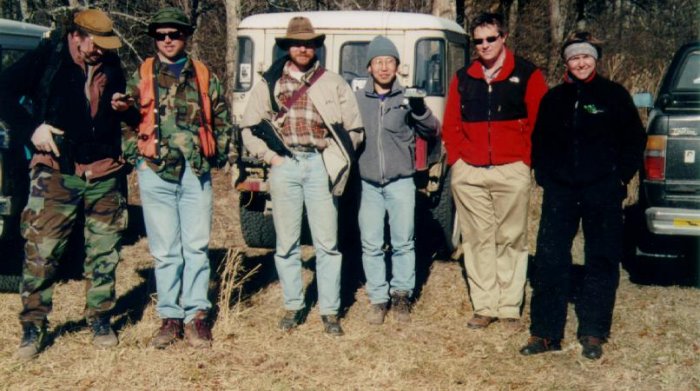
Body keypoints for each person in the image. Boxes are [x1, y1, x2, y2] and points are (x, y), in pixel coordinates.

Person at [0, 9, 126, 359]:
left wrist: (122, 109)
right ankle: (32, 326)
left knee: (104, 251)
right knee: (42, 251)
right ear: (76, 36)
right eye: (95, 44)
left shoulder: (112, 64)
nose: (100, 50)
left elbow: (120, 113)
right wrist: (32, 128)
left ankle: (100, 318)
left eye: (105, 45)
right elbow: (3, 90)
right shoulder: (47, 60)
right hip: (56, 171)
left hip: (104, 171)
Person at [520, 32, 646, 360]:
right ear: (566, 62)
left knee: (601, 258)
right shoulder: (555, 98)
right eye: (574, 57)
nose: (580, 62)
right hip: (561, 190)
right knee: (550, 258)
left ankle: (593, 331)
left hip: (601, 189)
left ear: (595, 59)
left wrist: (620, 176)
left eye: (586, 56)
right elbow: (540, 141)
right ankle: (545, 333)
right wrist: (545, 175)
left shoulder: (614, 96)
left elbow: (635, 139)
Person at [112, 8, 231, 349]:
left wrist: (217, 155)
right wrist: (135, 157)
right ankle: (170, 318)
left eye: (174, 34)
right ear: (155, 39)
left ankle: (196, 317)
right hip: (156, 173)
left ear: (185, 36)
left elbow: (222, 117)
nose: (167, 40)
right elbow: (126, 119)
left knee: (195, 247)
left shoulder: (205, 75)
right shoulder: (143, 74)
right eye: (161, 35)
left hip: (195, 174)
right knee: (165, 251)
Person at [240, 16, 363, 336]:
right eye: (296, 42)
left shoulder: (333, 82)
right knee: (286, 243)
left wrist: (333, 160)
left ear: (315, 46)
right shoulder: (270, 83)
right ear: (287, 46)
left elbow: (355, 129)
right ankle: (294, 306)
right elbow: (248, 128)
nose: (303, 48)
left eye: (308, 43)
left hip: (320, 165)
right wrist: (271, 158)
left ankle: (330, 311)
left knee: (327, 244)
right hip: (286, 167)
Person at [442, 12, 548, 330]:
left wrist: (524, 162)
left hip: (511, 170)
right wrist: (458, 162)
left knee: (511, 238)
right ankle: (485, 305)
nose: (484, 45)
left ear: (503, 38)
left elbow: (539, 124)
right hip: (470, 172)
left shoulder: (528, 74)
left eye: (491, 38)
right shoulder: (463, 77)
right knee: (476, 239)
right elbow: (451, 125)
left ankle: (509, 307)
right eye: (478, 41)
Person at [355, 36, 439, 325]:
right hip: (367, 184)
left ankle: (401, 294)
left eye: (389, 61)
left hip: (401, 181)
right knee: (372, 243)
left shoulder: (408, 98)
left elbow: (431, 131)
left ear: (397, 67)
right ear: (369, 67)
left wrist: (420, 109)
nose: (383, 67)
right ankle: (378, 299)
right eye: (378, 62)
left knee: (403, 241)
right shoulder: (357, 100)